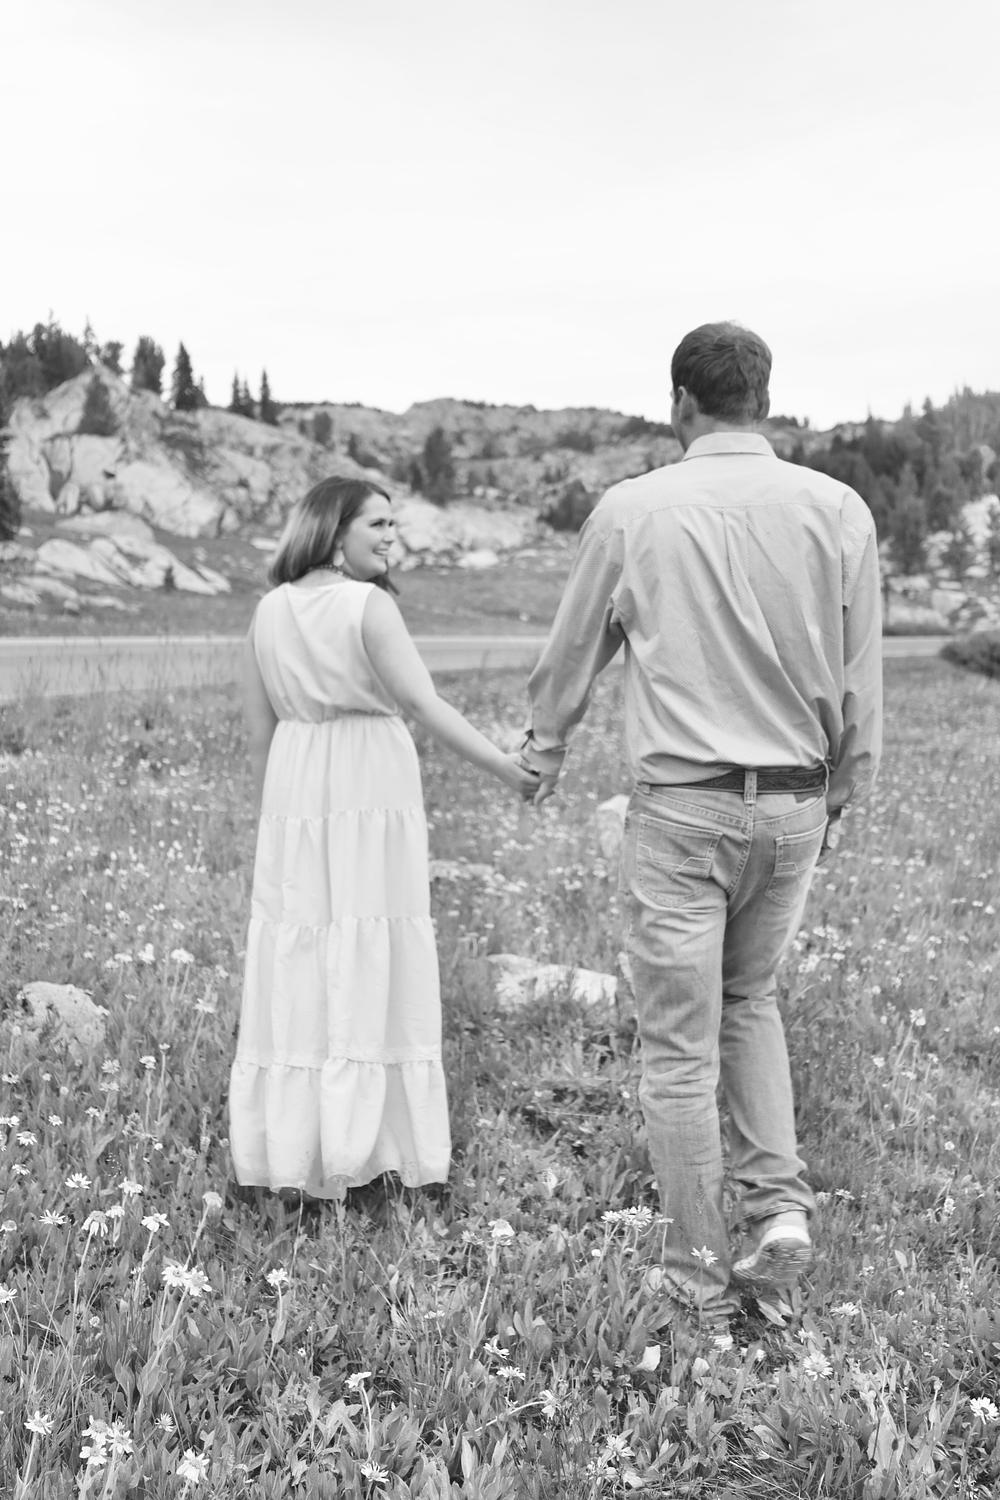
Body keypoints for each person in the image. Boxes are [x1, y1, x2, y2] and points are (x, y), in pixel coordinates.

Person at [519, 323, 882, 1324]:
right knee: (750, 998)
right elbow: (860, 672)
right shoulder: (837, 509)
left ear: (681, 401)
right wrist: (842, 788)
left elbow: (575, 649)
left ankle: (698, 1280)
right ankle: (779, 1210)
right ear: (762, 399)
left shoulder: (633, 509)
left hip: (684, 808)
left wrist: (545, 745)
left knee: (679, 1046)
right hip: (797, 798)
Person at [229, 475, 537, 1201]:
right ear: (334, 531)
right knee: (372, 943)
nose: (392, 537)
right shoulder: (367, 605)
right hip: (368, 780)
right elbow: (422, 703)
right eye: (378, 524)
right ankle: (369, 1146)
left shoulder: (269, 610)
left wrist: (279, 826)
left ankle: (296, 1149)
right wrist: (507, 768)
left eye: (394, 525)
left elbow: (259, 736)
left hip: (297, 787)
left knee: (301, 951)